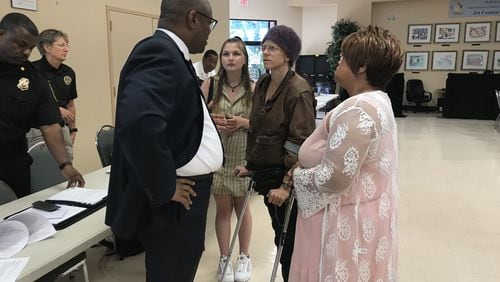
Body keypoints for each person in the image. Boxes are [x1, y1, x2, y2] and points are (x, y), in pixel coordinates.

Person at [104, 0, 223, 281]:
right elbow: (138, 122)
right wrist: (164, 184)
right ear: (194, 18)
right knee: (172, 270)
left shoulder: (173, 54)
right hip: (177, 198)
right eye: (210, 23)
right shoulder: (158, 51)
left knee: (182, 264)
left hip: (188, 194)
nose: (209, 31)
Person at [288, 25, 404, 281]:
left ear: (361, 66)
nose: (337, 62)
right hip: (360, 209)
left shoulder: (358, 109)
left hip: (339, 216)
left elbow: (335, 177)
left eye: (342, 57)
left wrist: (298, 177)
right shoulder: (377, 100)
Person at [235, 25, 316, 281]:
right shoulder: (263, 83)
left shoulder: (298, 90)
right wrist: (251, 164)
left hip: (284, 176)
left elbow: (298, 142)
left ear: (288, 55)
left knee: (287, 240)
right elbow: (258, 128)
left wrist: (286, 185)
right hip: (266, 172)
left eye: (273, 48)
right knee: (278, 230)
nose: (265, 53)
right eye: (264, 48)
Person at [0, 13, 84, 198]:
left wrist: (65, 164)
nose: (26, 53)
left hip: (12, 163)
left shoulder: (33, 76)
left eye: (30, 48)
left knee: (15, 218)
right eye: (21, 45)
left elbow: (49, 124)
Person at [202, 37, 254, 282]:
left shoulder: (256, 89)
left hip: (243, 157)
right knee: (223, 211)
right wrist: (213, 119)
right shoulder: (210, 85)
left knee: (242, 209)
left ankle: (244, 256)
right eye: (226, 54)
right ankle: (225, 257)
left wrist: (243, 122)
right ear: (220, 59)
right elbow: (197, 120)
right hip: (218, 158)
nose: (230, 58)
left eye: (236, 54)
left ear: (244, 59)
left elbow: (265, 126)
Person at [32, 29, 78, 160]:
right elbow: (29, 104)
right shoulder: (33, 71)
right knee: (44, 172)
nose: (66, 49)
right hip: (39, 130)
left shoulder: (69, 72)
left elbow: (70, 104)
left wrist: (73, 129)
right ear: (46, 47)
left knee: (67, 169)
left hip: (62, 128)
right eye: (61, 45)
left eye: (67, 45)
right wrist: (55, 109)